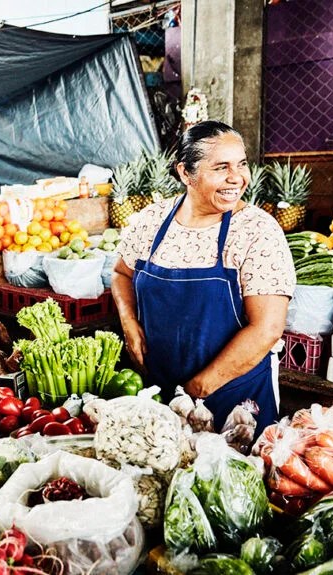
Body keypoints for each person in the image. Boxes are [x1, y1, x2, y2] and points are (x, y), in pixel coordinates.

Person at [111, 121, 295, 431]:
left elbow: (267, 329)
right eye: (221, 167)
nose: (236, 178)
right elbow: (120, 273)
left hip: (234, 401)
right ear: (185, 173)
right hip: (156, 390)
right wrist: (129, 325)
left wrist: (197, 390)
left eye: (241, 164)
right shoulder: (152, 220)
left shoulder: (256, 231)